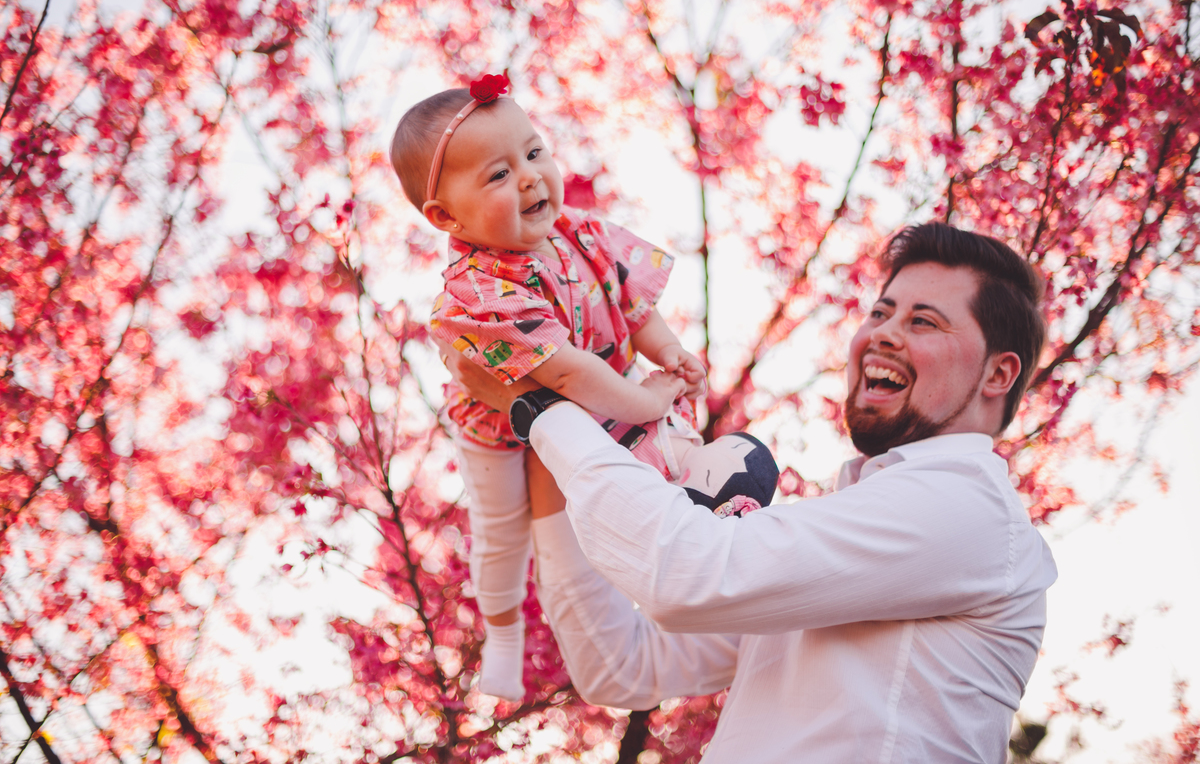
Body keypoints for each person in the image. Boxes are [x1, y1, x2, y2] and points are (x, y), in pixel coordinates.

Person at [445, 222, 1059, 762]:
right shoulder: (858, 538)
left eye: (922, 320)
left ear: (999, 374)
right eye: (880, 312)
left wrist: (540, 409)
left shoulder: (965, 509)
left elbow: (686, 571)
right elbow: (624, 666)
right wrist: (551, 456)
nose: (882, 334)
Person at [390, 74, 778, 700]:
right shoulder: (482, 290)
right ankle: (503, 627)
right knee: (501, 534)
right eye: (496, 175)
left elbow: (635, 306)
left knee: (652, 439)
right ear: (445, 216)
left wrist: (669, 351)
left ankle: (707, 489)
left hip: (593, 399)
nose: (529, 177)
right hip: (501, 430)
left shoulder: (581, 235)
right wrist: (651, 396)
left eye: (534, 152)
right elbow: (568, 372)